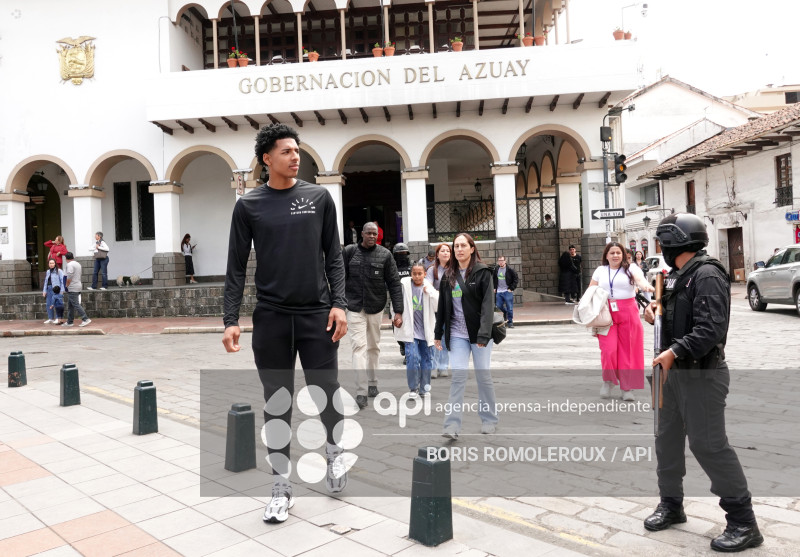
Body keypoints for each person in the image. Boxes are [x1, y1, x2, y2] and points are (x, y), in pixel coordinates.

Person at [222, 123, 349, 524]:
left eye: (297, 150)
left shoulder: (318, 197)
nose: (296, 156)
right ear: (266, 159)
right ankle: (280, 487)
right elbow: (236, 267)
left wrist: (340, 304)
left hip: (316, 315)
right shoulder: (249, 206)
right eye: (286, 151)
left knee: (326, 394)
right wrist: (230, 319)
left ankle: (333, 453)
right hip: (272, 319)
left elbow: (334, 256)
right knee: (277, 403)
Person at [643, 213, 762, 552]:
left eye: (663, 243)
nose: (662, 249)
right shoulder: (676, 276)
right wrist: (656, 315)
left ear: (674, 243)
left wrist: (673, 351)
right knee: (666, 440)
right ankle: (671, 504)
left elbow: (710, 330)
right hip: (671, 377)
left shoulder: (707, 275)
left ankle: (743, 522)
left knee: (708, 445)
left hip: (701, 375)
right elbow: (675, 318)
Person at [434, 233, 497, 438]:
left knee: (483, 377)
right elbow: (442, 307)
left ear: (472, 248)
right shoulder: (448, 275)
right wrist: (438, 333)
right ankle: (451, 426)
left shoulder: (483, 272)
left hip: (479, 335)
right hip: (457, 334)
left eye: (463, 245)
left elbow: (488, 306)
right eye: (456, 246)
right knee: (458, 378)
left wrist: (484, 335)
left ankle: (489, 420)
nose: (459, 249)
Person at [343, 221, 403, 409]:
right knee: (358, 347)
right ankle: (361, 391)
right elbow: (339, 278)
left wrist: (398, 311)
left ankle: (372, 383)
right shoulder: (349, 252)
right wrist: (336, 304)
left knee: (373, 347)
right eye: (368, 233)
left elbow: (394, 283)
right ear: (362, 233)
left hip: (376, 307)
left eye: (374, 234)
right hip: (354, 307)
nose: (371, 236)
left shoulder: (385, 255)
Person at [588, 242, 653, 401]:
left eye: (618, 252)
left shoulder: (631, 268)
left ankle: (627, 387)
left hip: (628, 312)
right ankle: (608, 381)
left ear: (623, 254)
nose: (615, 255)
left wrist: (647, 287)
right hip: (605, 312)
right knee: (608, 350)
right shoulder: (600, 270)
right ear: (606, 255)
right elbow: (591, 290)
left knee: (628, 351)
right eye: (612, 253)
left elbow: (640, 281)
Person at [394, 263, 438, 398]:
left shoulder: (429, 288)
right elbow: (396, 301)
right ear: (411, 274)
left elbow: (437, 307)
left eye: (420, 273)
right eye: (415, 273)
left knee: (426, 359)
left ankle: (424, 388)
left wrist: (430, 293)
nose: (417, 276)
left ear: (425, 274)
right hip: (410, 330)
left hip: (426, 330)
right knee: (412, 357)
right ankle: (413, 388)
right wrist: (397, 314)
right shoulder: (405, 286)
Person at [427, 242, 451, 378]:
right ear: (437, 254)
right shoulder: (432, 269)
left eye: (448, 251)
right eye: (443, 251)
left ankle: (444, 366)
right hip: (436, 308)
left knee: (446, 336)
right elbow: (429, 287)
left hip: (451, 308)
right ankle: (434, 367)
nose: (446, 253)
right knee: (436, 336)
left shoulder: (454, 269)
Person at [393, 243, 412, 363]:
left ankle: (408, 353)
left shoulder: (412, 266)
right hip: (396, 300)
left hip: (410, 300)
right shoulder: (391, 267)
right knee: (396, 327)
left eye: (404, 253)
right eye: (399, 254)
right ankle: (401, 344)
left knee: (410, 328)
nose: (402, 256)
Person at [62, 252, 92, 327]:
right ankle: (70, 321)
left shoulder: (70, 265)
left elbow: (69, 276)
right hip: (78, 285)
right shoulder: (77, 264)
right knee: (70, 305)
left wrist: (66, 285)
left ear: (66, 258)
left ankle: (85, 318)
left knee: (75, 304)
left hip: (72, 287)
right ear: (73, 257)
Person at [493, 255, 519, 328]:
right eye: (499, 261)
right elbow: (494, 278)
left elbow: (516, 279)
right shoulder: (496, 269)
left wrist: (511, 288)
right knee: (498, 305)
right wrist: (495, 287)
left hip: (507, 291)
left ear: (505, 261)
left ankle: (510, 322)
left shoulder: (510, 269)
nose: (500, 262)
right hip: (499, 291)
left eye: (502, 261)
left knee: (509, 307)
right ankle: (505, 312)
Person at [42, 258, 65, 324]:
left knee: (57, 304)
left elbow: (62, 281)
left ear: (55, 264)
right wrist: (44, 291)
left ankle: (58, 318)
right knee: (49, 303)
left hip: (56, 289)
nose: (51, 264)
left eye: (52, 263)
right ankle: (50, 318)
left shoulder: (59, 271)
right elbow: (46, 282)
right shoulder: (48, 271)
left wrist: (62, 290)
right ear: (48, 264)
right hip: (49, 288)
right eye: (50, 263)